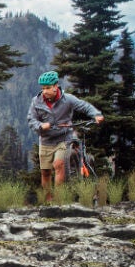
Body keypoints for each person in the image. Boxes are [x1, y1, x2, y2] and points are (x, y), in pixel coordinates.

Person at [27, 71, 103, 201]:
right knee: (45, 172)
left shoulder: (68, 99)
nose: (45, 91)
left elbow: (84, 106)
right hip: (46, 141)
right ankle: (48, 200)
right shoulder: (36, 101)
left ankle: (58, 199)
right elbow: (31, 119)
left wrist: (96, 114)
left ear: (56, 86)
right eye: (43, 88)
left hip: (63, 139)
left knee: (59, 165)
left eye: (48, 88)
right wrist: (40, 126)